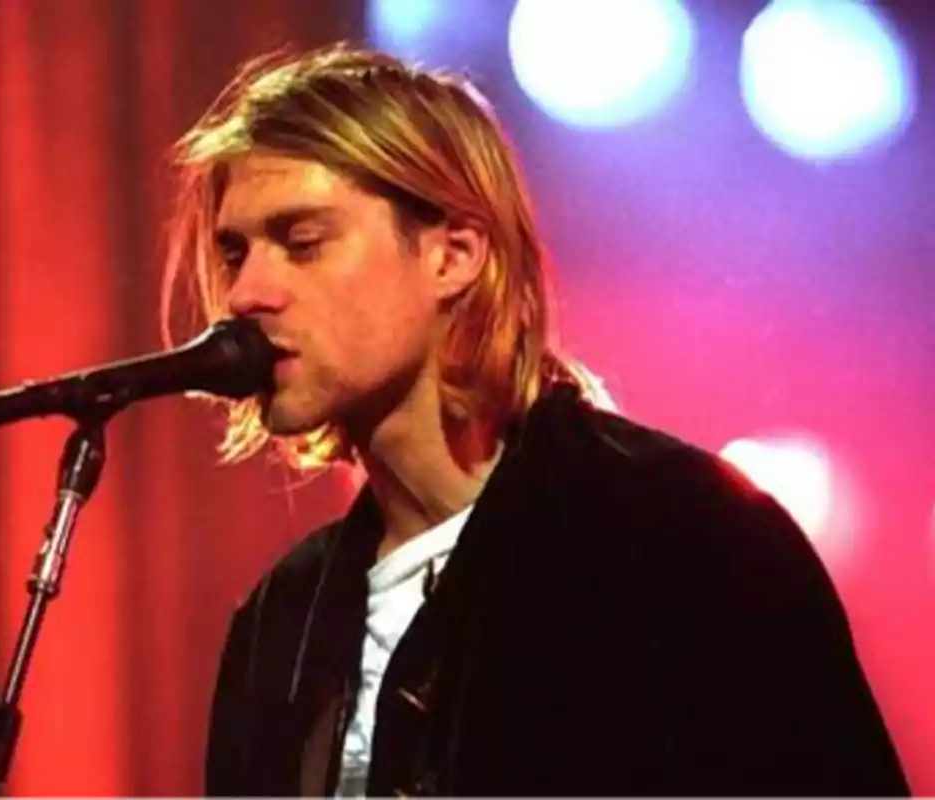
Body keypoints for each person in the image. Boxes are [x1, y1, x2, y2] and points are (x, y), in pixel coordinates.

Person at [158, 42, 911, 796]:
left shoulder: (682, 536)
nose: (247, 292)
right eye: (233, 253)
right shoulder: (280, 621)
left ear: (452, 256)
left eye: (302, 243)